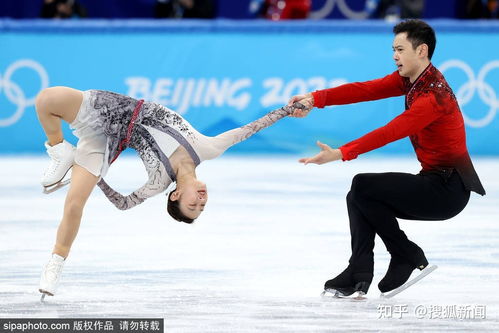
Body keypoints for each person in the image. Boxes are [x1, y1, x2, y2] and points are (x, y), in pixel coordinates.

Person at [36, 87, 299, 298]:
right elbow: (249, 129)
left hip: (105, 142)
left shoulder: (158, 182)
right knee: (47, 100)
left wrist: (96, 180)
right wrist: (289, 110)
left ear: (175, 196)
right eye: (202, 206)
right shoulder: (209, 149)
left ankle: (55, 264)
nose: (201, 202)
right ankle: (60, 150)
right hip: (115, 107)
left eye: (193, 206)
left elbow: (124, 204)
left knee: (73, 205)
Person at [288, 19, 485, 297]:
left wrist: (342, 153)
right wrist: (314, 98)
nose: (394, 56)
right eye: (393, 49)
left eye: (400, 49)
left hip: (448, 190)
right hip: (435, 181)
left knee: (364, 187)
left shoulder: (433, 96)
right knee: (359, 193)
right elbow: (365, 89)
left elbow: (392, 131)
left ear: (421, 51)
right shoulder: (412, 80)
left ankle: (405, 254)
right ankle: (359, 272)